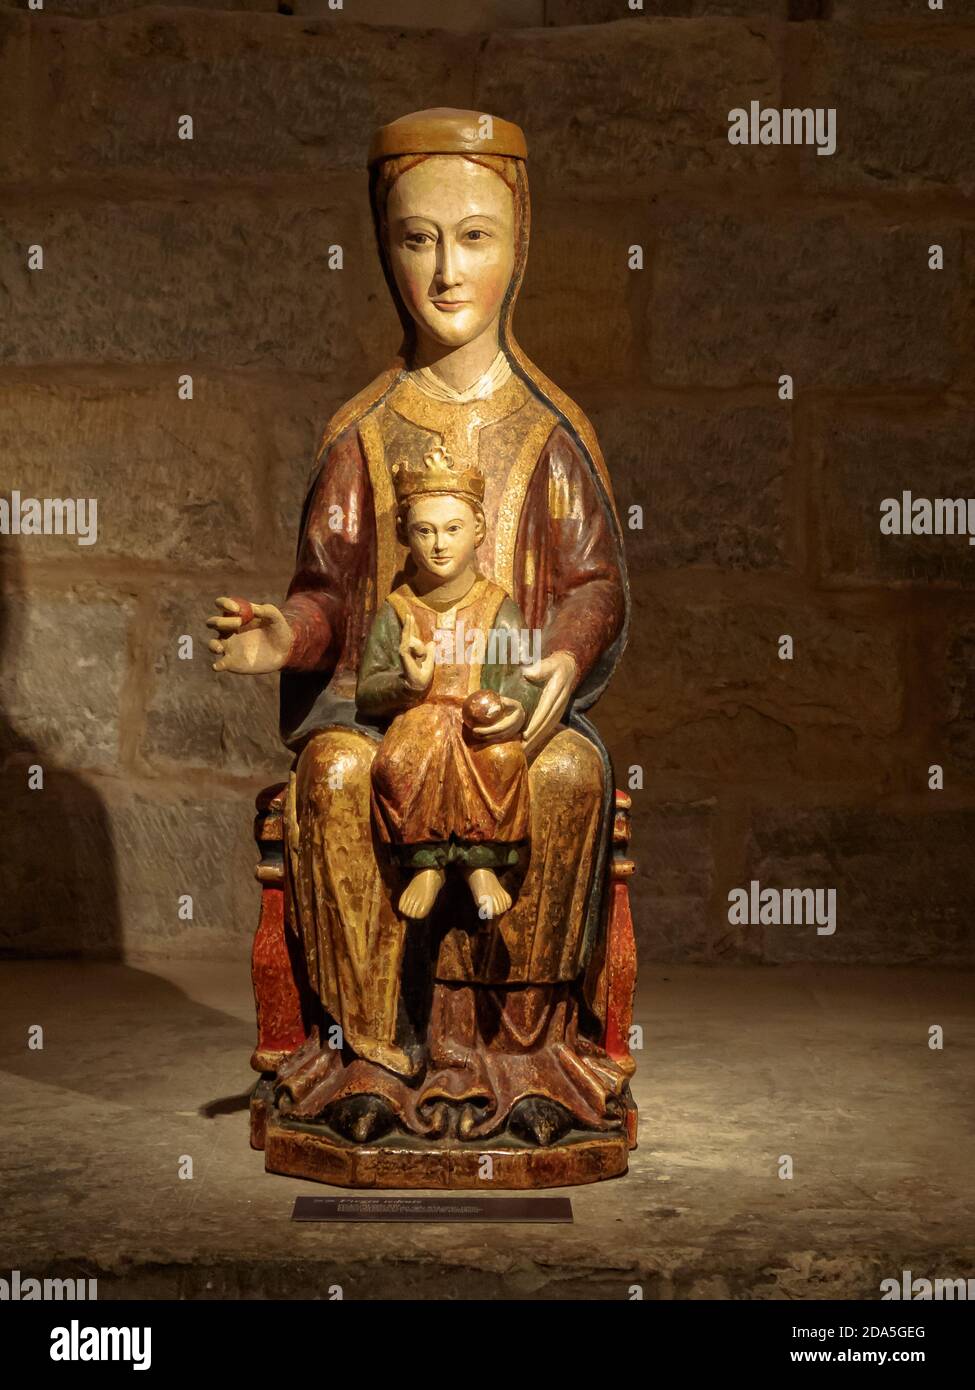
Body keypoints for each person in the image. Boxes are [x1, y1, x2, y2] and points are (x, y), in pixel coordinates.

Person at [207, 108, 631, 1149]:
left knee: (569, 775)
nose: (447, 270)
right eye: (417, 236)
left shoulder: (550, 432)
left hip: (505, 703)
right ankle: (367, 1051)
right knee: (339, 776)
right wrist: (286, 633)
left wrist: (559, 662)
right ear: (381, 244)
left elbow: (593, 582)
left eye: (476, 235)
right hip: (386, 701)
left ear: (519, 243)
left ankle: (519, 1050)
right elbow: (328, 591)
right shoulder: (363, 430)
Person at [357, 445, 540, 922]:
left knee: (502, 760)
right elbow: (367, 690)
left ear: (478, 531)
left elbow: (525, 674)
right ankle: (427, 863)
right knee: (398, 760)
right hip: (420, 720)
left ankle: (481, 865)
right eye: (425, 531)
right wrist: (409, 684)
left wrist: (513, 706)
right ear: (405, 535)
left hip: (478, 723)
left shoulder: (498, 608)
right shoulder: (398, 611)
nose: (440, 544)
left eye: (453, 529)